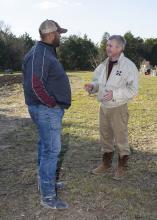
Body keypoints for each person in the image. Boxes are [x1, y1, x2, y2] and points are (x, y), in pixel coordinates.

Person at [22, 19, 71, 209]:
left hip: (46, 110)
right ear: (51, 34)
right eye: (59, 33)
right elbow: (35, 85)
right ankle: (48, 197)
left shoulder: (44, 52)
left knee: (45, 147)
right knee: (51, 151)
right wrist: (51, 104)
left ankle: (46, 184)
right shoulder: (40, 53)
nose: (60, 36)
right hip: (46, 110)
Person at [84, 35, 139, 180]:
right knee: (105, 137)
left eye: (112, 45)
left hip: (118, 107)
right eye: (107, 45)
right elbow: (98, 83)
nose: (108, 47)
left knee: (121, 138)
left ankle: (121, 167)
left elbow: (133, 89)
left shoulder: (128, 66)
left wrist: (114, 94)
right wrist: (92, 87)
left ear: (120, 48)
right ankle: (106, 164)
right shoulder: (103, 64)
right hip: (103, 107)